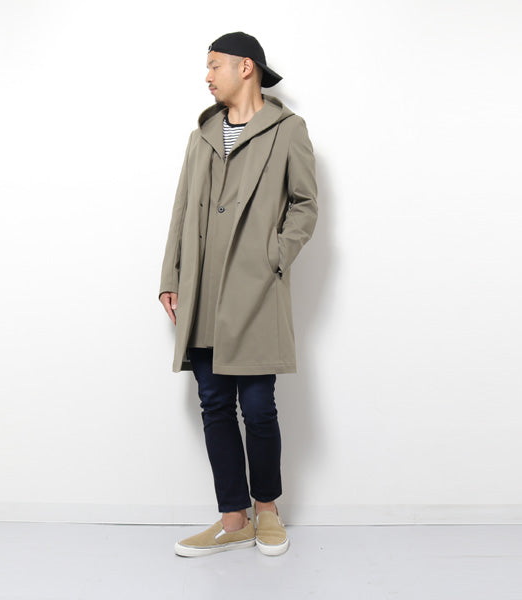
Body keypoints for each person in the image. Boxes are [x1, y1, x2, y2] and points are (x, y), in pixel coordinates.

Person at [158, 31, 318, 557]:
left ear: (245, 67)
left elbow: (305, 205)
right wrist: (171, 277)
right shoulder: (202, 134)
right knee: (214, 403)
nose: (207, 76)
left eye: (214, 65)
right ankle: (233, 519)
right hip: (202, 286)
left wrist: (275, 256)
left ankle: (267, 511)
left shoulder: (287, 130)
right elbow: (182, 207)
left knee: (258, 406)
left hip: (254, 289)